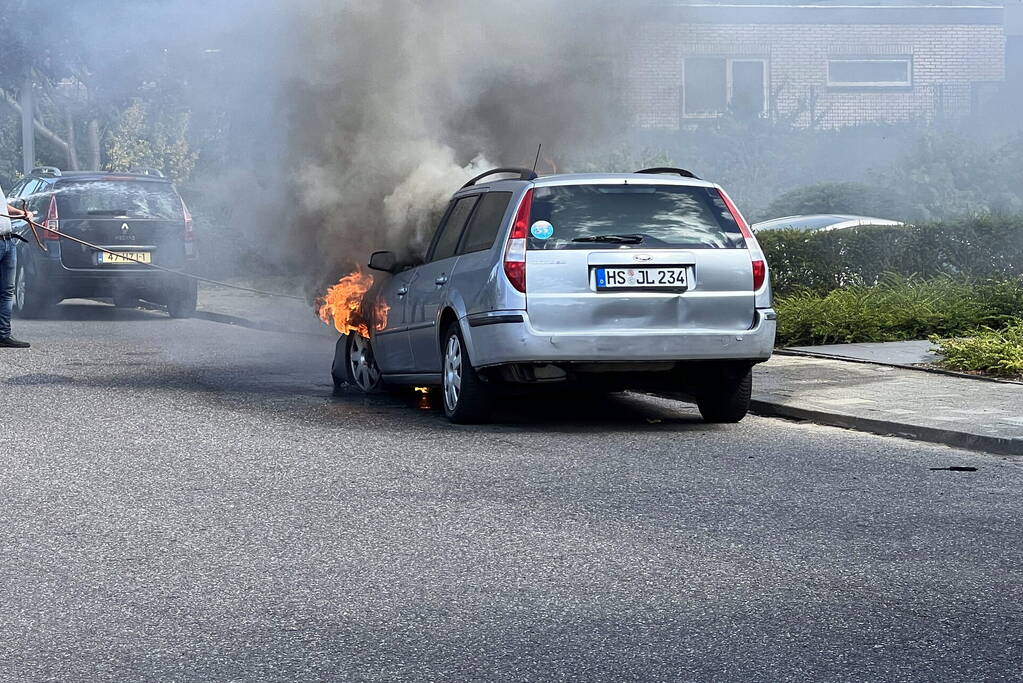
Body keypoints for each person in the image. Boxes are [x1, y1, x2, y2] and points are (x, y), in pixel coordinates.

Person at [1, 182, 32, 348]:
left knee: (7, 291)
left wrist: (20, 213)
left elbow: (3, 207)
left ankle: (3, 335)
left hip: (8, 241)